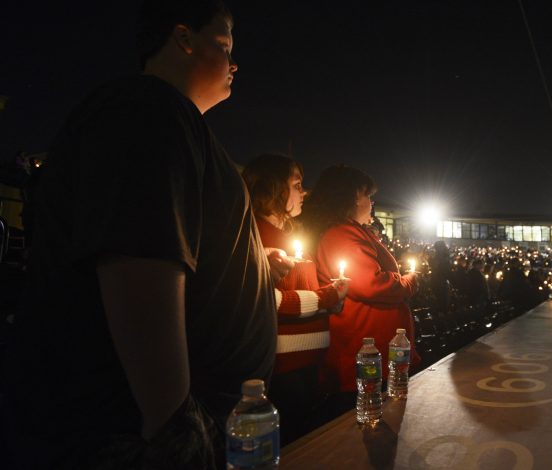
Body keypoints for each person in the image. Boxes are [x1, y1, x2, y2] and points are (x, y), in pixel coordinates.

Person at [2, 1, 276, 468]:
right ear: (183, 37)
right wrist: (172, 425)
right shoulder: (148, 108)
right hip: (144, 434)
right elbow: (139, 261)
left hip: (203, 420)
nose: (234, 64)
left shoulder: (175, 124)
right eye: (224, 45)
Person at [242, 153, 349, 444]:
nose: (303, 192)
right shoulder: (254, 235)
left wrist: (334, 298)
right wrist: (327, 297)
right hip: (283, 367)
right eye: (297, 184)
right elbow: (271, 300)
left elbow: (306, 291)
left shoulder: (288, 233)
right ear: (273, 187)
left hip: (309, 361)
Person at [299, 165, 419, 413]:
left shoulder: (353, 231)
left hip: (377, 348)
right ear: (350, 196)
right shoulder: (341, 234)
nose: (372, 202)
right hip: (363, 348)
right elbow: (370, 284)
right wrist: (408, 281)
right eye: (367, 195)